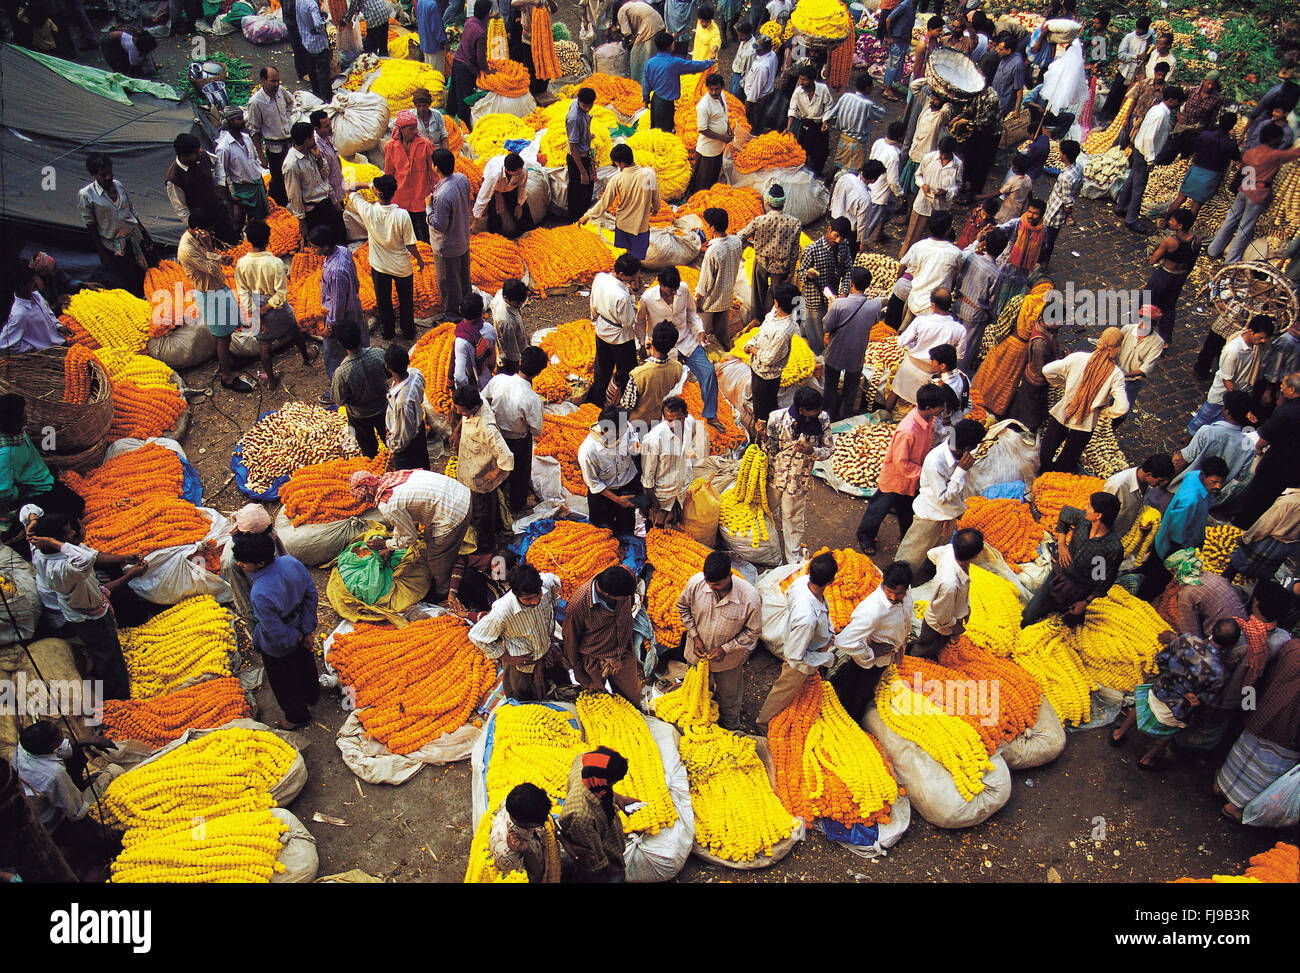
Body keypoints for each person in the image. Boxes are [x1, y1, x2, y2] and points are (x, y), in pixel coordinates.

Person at [26, 513, 142, 701]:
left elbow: (29, 510)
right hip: (89, 618)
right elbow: (86, 558)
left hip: (85, 608)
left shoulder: (40, 551)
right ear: (56, 541)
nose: (73, 533)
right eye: (68, 532)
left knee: (106, 649)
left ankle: (113, 684)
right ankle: (118, 699)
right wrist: (55, 542)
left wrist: (32, 523)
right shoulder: (62, 568)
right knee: (107, 655)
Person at [230, 532, 320, 730]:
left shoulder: (260, 591)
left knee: (284, 682)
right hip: (300, 625)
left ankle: (297, 717)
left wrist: (294, 638)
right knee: (305, 662)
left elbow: (274, 629)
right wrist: (306, 631)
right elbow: (311, 595)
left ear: (260, 563)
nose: (240, 565)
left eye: (244, 562)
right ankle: (312, 695)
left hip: (278, 645)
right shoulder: (291, 563)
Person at [1111, 629, 1230, 770]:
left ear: (1212, 631)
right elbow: (1207, 701)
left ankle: (1118, 734)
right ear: (1229, 646)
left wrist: (1173, 680)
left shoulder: (1187, 640)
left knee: (1139, 708)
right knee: (1164, 738)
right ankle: (1146, 760)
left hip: (1159, 691)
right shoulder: (1219, 673)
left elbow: (1161, 660)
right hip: (1177, 711)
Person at [349, 467, 472, 601]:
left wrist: (384, 543)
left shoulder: (388, 504)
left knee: (437, 559)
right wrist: (389, 548)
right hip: (461, 493)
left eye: (365, 499)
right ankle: (449, 560)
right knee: (429, 536)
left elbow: (409, 537)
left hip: (455, 512)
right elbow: (401, 522)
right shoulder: (391, 478)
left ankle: (442, 590)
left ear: (368, 492)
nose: (367, 502)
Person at [1216, 634, 1300, 822]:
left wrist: (1248, 706)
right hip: (1288, 732)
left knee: (1243, 754)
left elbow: (1261, 675)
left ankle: (1221, 785)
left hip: (1261, 712)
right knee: (1265, 773)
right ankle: (1235, 807)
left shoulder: (1292, 648)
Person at [674, 551, 762, 730]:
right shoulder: (696, 584)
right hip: (696, 654)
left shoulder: (750, 598)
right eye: (709, 583)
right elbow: (682, 607)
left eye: (717, 584)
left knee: (729, 697)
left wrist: (726, 648)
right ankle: (700, 724)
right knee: (697, 692)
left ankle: (730, 727)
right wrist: (695, 636)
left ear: (730, 575)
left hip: (727, 662)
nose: (712, 587)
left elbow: (753, 632)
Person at [856, 384, 945, 554]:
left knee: (907, 511)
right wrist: (924, 473)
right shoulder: (907, 430)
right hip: (896, 478)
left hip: (911, 479)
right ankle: (865, 536)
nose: (942, 410)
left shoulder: (928, 419)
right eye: (939, 407)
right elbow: (900, 462)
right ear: (928, 407)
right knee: (879, 508)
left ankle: (906, 537)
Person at [755, 551, 837, 732]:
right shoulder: (806, 618)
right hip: (800, 654)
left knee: (800, 686)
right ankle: (763, 723)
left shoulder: (800, 583)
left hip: (805, 641)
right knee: (784, 689)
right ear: (831, 581)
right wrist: (827, 659)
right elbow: (795, 657)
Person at [1021, 493, 1124, 629]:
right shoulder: (1083, 520)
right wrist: (1062, 543)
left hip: (1078, 590)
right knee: (1028, 616)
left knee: (1068, 627)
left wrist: (1085, 602)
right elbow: (1065, 513)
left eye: (1089, 506)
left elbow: (1103, 581)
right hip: (1058, 575)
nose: (1085, 507)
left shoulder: (1112, 548)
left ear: (1098, 515)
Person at [234, 220, 317, 389]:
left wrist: (255, 311)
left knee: (264, 343)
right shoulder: (276, 263)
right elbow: (281, 293)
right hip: (276, 308)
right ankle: (306, 356)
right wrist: (267, 307)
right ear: (268, 238)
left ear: (248, 240)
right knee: (293, 329)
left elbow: (243, 293)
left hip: (256, 307)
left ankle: (271, 379)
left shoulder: (241, 264)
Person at [895, 418, 984, 573]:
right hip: (931, 514)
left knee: (937, 548)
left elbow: (959, 489)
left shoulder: (958, 454)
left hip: (947, 514)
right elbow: (942, 496)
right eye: (975, 447)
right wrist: (961, 470)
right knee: (911, 554)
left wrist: (959, 508)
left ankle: (929, 570)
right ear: (967, 447)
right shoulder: (936, 460)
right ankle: (898, 579)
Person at [1136, 456, 1230, 600]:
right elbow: (1177, 526)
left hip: (1167, 536)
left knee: (1152, 563)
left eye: (1220, 483)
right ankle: (1141, 598)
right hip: (1173, 544)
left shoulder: (1194, 476)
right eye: (1214, 482)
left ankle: (1139, 575)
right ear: (1203, 476)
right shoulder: (1190, 499)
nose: (1218, 486)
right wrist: (1178, 551)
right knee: (1158, 578)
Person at [1039, 327, 1129, 473]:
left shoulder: (1078, 358)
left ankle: (1041, 473)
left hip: (1063, 413)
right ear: (1117, 348)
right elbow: (1122, 408)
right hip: (1085, 423)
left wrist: (1063, 385)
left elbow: (1047, 370)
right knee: (1068, 459)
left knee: (1046, 451)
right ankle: (1055, 479)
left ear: (1100, 341)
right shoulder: (1116, 374)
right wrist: (1104, 411)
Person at [177, 211, 250, 392]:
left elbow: (211, 260)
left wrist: (220, 257)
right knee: (222, 337)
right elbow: (211, 269)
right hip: (210, 295)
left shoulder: (197, 240)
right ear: (196, 229)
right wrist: (210, 246)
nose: (211, 233)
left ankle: (229, 361)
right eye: (208, 230)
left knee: (231, 326)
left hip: (219, 288)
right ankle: (227, 377)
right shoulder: (187, 249)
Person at [831, 560, 914, 717]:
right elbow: (843, 640)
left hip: (886, 656)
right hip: (870, 661)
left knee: (866, 686)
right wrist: (871, 652)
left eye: (899, 593)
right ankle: (851, 715)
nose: (893, 596)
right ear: (884, 583)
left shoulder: (907, 592)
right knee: (858, 690)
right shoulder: (873, 611)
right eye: (889, 591)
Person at [346, 174, 424, 340]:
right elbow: (410, 244)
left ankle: (387, 331)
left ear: (377, 192)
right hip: (402, 266)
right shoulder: (402, 215)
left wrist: (370, 185)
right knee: (406, 301)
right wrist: (419, 259)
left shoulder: (368, 210)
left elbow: (348, 188)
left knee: (384, 301)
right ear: (394, 192)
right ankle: (408, 330)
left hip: (379, 266)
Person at [1209, 125, 1300, 264]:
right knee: (1245, 228)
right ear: (1273, 139)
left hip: (1244, 188)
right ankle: (1231, 260)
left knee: (1230, 220)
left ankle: (1213, 250)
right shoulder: (1274, 155)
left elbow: (1243, 165)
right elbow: (1295, 154)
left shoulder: (1251, 152)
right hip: (1257, 194)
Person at [10, 720, 118, 838]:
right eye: (60, 736)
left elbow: (62, 748)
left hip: (33, 802)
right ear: (51, 746)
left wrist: (91, 740)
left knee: (74, 751)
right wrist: (100, 830)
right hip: (51, 822)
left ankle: (79, 786)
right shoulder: (54, 774)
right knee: (114, 771)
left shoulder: (23, 747)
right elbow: (76, 811)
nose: (63, 735)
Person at [469, 563, 559, 701]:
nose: (535, 602)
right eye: (528, 599)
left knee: (556, 691)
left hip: (546, 652)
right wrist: (506, 657)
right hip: (521, 663)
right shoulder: (503, 611)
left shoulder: (546, 582)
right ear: (516, 594)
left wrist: (551, 625)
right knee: (524, 702)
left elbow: (554, 592)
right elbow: (476, 636)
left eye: (538, 595)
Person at [766, 387, 833, 565]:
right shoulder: (776, 418)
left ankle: (793, 561)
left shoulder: (823, 419)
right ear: (801, 410)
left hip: (798, 480)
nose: (818, 412)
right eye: (814, 410)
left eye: (819, 408)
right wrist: (761, 435)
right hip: (775, 476)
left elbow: (828, 450)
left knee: (792, 518)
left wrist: (812, 451)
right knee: (768, 512)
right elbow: (770, 448)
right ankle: (768, 553)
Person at [563, 566, 640, 703]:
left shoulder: (624, 576)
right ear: (609, 596)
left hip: (623, 650)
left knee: (632, 698)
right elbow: (570, 641)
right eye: (623, 599)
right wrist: (580, 674)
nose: (627, 600)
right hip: (594, 659)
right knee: (598, 702)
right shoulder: (578, 605)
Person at [1233, 372, 1300, 530]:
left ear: (1292, 390)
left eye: (1283, 385)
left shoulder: (1286, 411)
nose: (1281, 387)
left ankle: (1242, 524)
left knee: (1258, 494)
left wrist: (1257, 448)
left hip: (1277, 463)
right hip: (1295, 466)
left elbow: (1264, 437)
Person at [77, 154, 151, 297]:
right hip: (114, 247)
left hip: (134, 238)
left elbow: (131, 211)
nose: (108, 177)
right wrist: (102, 253)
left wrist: (145, 234)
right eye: (102, 174)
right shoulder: (86, 195)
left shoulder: (118, 185)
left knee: (144, 272)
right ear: (94, 175)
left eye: (110, 172)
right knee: (127, 280)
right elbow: (90, 225)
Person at [484, 346, 546, 513]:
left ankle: (496, 498)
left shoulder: (499, 379)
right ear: (538, 373)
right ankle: (517, 504)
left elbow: (483, 399)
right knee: (519, 473)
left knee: (496, 465)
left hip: (494, 433)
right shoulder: (532, 399)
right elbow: (537, 430)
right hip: (517, 440)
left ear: (520, 362)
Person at [451, 384, 513, 551]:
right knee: (479, 508)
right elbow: (464, 417)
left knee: (482, 515)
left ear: (475, 407)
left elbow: (507, 456)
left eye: (462, 410)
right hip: (469, 465)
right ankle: (494, 528)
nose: (459, 413)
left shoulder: (487, 428)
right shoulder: (476, 401)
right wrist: (457, 430)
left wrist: (495, 473)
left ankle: (486, 547)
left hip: (480, 477)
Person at [1188, 315, 1272, 436]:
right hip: (1221, 396)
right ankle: (1186, 444)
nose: (1263, 341)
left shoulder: (1256, 346)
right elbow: (1227, 382)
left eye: (1265, 338)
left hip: (1237, 395)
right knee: (1200, 423)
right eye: (1261, 337)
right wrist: (1242, 407)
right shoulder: (1233, 351)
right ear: (1251, 331)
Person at [557, 746, 631, 882]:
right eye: (613, 782)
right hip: (595, 863)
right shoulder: (581, 815)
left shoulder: (585, 762)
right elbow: (593, 853)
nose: (614, 785)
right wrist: (609, 868)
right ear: (603, 782)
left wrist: (620, 799)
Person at [1116, 86, 1184, 233]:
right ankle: (1131, 219)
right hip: (1144, 153)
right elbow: (1149, 137)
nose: (1178, 106)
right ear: (1171, 100)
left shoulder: (1157, 109)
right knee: (1139, 188)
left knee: (1132, 180)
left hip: (1139, 149)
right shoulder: (1160, 114)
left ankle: (1121, 206)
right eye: (1178, 102)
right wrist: (1150, 159)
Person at [1168, 390, 1257, 503]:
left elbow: (1184, 459)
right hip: (1207, 499)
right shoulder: (1248, 447)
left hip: (1180, 489)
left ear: (1227, 411)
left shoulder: (1207, 431)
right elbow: (1240, 477)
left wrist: (1167, 480)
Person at [888, 286, 964, 409]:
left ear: (933, 305)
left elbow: (902, 342)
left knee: (896, 391)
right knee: (922, 404)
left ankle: (885, 415)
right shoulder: (959, 329)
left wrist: (915, 345)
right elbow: (959, 356)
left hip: (911, 365)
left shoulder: (921, 321)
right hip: (933, 373)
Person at [582, 143, 662, 260]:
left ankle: (629, 274)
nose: (615, 164)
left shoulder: (617, 179)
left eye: (615, 162)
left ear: (621, 163)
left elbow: (604, 203)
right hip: (641, 227)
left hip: (623, 224)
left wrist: (587, 216)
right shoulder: (649, 174)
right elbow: (655, 195)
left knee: (627, 254)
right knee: (637, 258)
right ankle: (634, 275)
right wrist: (656, 207)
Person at [821, 265, 881, 421]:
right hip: (857, 352)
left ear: (851, 284)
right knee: (851, 387)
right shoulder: (875, 305)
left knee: (831, 386)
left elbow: (827, 326)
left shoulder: (839, 304)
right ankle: (846, 415)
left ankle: (829, 415)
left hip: (836, 351)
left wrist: (831, 306)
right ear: (868, 285)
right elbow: (873, 322)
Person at [951, 227, 1012, 374]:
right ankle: (957, 377)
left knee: (950, 340)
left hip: (959, 305)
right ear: (1002, 250)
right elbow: (992, 301)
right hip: (975, 316)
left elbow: (959, 279)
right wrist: (992, 318)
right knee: (965, 350)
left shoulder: (971, 259)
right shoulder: (996, 274)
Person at [586, 253, 643, 407]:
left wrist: (595, 317)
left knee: (602, 370)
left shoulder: (600, 278)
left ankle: (596, 403)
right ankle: (626, 404)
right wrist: (632, 296)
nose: (635, 279)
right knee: (627, 372)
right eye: (633, 277)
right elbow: (628, 322)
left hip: (602, 330)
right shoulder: (622, 295)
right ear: (622, 275)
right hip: (620, 339)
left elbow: (593, 304)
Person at [578, 406, 646, 534]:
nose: (627, 427)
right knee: (602, 534)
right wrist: (618, 500)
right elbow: (594, 483)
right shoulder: (588, 450)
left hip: (626, 487)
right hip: (603, 496)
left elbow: (632, 433)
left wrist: (635, 443)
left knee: (626, 530)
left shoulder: (624, 427)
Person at [627, 292, 691, 427]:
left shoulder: (638, 374)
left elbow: (628, 405)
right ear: (673, 345)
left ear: (652, 341)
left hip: (636, 423)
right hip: (656, 420)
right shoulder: (677, 368)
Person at [1164, 112, 1239, 227]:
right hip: (1210, 176)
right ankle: (1184, 230)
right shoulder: (1230, 144)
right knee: (1196, 206)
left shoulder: (1205, 135)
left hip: (1195, 170)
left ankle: (1165, 221)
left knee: (1180, 199)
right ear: (1232, 126)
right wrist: (1233, 138)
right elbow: (1236, 157)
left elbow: (1196, 148)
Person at [425, 149, 473, 324]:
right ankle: (468, 307)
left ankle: (453, 315)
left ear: (436, 167)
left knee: (449, 283)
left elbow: (439, 224)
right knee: (463, 277)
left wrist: (428, 207)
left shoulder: (442, 195)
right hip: (462, 238)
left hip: (447, 246)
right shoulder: (462, 179)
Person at [641, 396, 704, 527]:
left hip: (681, 484)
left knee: (675, 522)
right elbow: (648, 475)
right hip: (662, 491)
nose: (674, 424)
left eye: (678, 419)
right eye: (669, 420)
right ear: (664, 417)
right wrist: (654, 501)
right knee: (656, 526)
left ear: (685, 415)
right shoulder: (654, 439)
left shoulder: (689, 423)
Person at [738, 190, 802, 319]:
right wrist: (791, 271)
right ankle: (772, 319)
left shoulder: (759, 220)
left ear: (767, 202)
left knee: (757, 294)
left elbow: (740, 236)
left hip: (761, 262)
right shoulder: (794, 223)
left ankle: (756, 320)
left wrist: (752, 244)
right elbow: (795, 251)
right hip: (781, 266)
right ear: (783, 203)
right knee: (776, 295)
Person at [1004, 290, 1062, 431]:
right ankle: (1024, 428)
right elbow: (1042, 369)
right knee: (1030, 407)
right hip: (1036, 380)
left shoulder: (1047, 329)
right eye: (1060, 320)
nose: (1061, 323)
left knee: (1025, 404)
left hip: (1036, 378)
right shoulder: (1040, 344)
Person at [165, 133, 237, 247]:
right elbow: (181, 209)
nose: (200, 152)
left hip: (218, 211)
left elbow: (217, 163)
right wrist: (196, 229)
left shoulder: (203, 155)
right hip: (202, 222)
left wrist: (220, 184)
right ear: (185, 156)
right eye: (196, 152)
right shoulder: (174, 179)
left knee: (232, 242)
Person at [898, 131, 961, 261]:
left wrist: (948, 192)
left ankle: (921, 262)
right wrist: (923, 185)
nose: (942, 156)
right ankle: (904, 261)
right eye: (941, 153)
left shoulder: (957, 165)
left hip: (940, 206)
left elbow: (958, 185)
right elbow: (918, 175)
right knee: (912, 236)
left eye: (945, 155)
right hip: (923, 202)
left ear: (951, 153)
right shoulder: (929, 158)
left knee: (930, 239)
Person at [282, 121, 347, 246]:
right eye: (312, 136)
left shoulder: (312, 152)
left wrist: (319, 159)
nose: (314, 139)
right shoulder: (291, 164)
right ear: (306, 139)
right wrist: (301, 220)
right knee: (325, 245)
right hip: (314, 210)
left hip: (327, 202)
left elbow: (325, 175)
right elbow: (294, 195)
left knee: (340, 239)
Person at [330, 322, 388, 457]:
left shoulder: (341, 372)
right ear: (361, 336)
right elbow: (389, 373)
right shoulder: (378, 354)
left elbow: (338, 400)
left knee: (368, 448)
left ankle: (374, 465)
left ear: (340, 343)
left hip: (359, 416)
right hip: (383, 408)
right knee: (389, 439)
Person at [745, 282, 799, 424]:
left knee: (763, 409)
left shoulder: (784, 330)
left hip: (767, 376)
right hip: (757, 368)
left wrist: (751, 349)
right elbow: (761, 331)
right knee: (760, 403)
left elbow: (768, 358)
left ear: (777, 302)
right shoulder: (774, 313)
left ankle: (765, 434)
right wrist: (751, 342)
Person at [897, 211, 961, 330]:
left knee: (903, 336)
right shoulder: (955, 253)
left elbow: (911, 269)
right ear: (948, 231)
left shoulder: (919, 246)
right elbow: (957, 272)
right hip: (933, 310)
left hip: (915, 300)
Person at [796, 218, 850, 354]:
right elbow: (800, 272)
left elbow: (848, 269)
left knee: (827, 327)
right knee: (815, 330)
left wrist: (844, 291)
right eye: (836, 236)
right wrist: (808, 274)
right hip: (814, 297)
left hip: (833, 296)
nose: (838, 240)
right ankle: (817, 355)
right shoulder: (812, 250)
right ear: (829, 229)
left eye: (841, 238)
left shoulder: (844, 247)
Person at [643, 31, 715, 133]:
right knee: (664, 132)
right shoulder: (674, 63)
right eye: (673, 43)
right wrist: (710, 62)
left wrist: (646, 99)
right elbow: (693, 66)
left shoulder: (650, 63)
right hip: (665, 104)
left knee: (655, 129)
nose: (674, 45)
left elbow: (646, 83)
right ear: (669, 46)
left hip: (655, 100)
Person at [487, 783, 559, 882]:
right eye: (539, 822)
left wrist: (561, 837)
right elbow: (534, 878)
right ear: (521, 822)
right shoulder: (507, 855)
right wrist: (527, 850)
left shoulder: (517, 802)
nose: (544, 822)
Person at [694, 208, 743, 350]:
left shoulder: (712, 251)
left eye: (707, 224)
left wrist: (697, 298)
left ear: (712, 227)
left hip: (711, 299)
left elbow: (706, 281)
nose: (705, 227)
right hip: (727, 295)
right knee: (722, 331)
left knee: (703, 331)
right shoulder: (736, 242)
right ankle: (725, 347)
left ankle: (704, 352)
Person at [384, 111, 437, 245]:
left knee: (425, 233)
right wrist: (387, 197)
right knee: (407, 234)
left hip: (422, 196)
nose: (415, 131)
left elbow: (434, 172)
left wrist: (435, 191)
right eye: (411, 128)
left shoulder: (425, 145)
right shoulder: (390, 147)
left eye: (415, 127)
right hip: (400, 197)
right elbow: (389, 173)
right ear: (401, 129)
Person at [214, 108, 270, 234]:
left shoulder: (246, 138)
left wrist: (260, 180)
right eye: (239, 119)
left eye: (242, 117)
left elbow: (254, 161)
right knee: (239, 221)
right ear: (230, 122)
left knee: (260, 219)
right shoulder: (224, 148)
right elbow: (222, 174)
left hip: (256, 184)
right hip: (241, 189)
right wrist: (231, 196)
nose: (243, 121)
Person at [246, 67, 296, 207]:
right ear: (263, 80)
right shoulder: (256, 102)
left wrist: (286, 117)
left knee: (292, 173)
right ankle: (280, 205)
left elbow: (291, 102)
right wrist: (261, 156)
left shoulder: (281, 91)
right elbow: (254, 130)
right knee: (279, 179)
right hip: (274, 148)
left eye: (278, 81)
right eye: (272, 81)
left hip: (289, 143)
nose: (276, 84)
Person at [1231, 490, 1300, 584]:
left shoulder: (1288, 501)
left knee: (1234, 567)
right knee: (1261, 579)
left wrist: (1245, 538)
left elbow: (1264, 525)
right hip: (1284, 548)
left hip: (1266, 541)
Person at [1113, 305, 1165, 424]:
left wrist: (1125, 375)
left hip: (1131, 382)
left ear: (1154, 325)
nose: (1144, 326)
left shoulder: (1158, 342)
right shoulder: (1127, 329)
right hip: (1113, 374)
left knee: (1121, 412)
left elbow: (1145, 368)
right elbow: (1114, 348)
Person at [1104, 453, 1175, 540]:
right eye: (1161, 480)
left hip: (1123, 535)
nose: (1163, 484)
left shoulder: (1148, 484)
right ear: (1149, 474)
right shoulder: (1116, 486)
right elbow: (1100, 516)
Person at [1096, 14, 1151, 125]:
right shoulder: (1129, 37)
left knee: (1127, 98)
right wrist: (1135, 57)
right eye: (1137, 28)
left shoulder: (1151, 39)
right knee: (1115, 94)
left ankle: (1119, 120)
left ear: (1146, 29)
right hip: (1125, 71)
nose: (1138, 31)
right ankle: (1104, 117)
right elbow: (1121, 55)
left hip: (1138, 75)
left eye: (1140, 29)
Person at [1, 262, 66, 354]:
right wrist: (32, 348)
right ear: (21, 286)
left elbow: (48, 312)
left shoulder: (36, 294)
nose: (35, 283)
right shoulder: (19, 314)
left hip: (60, 342)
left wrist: (58, 326)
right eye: (31, 282)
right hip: (49, 352)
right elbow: (4, 344)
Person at [383, 343, 430, 470]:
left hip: (408, 448)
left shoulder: (402, 402)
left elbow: (402, 440)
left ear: (387, 367)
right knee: (423, 467)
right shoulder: (415, 373)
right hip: (418, 430)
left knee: (411, 477)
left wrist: (391, 444)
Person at [449, 1, 493, 129]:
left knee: (454, 91)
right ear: (486, 13)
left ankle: (450, 115)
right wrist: (486, 70)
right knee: (464, 97)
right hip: (466, 67)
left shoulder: (470, 21)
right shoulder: (481, 31)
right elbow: (480, 57)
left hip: (457, 60)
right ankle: (463, 126)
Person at [831, 73, 886, 175]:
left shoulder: (846, 96)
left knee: (837, 163)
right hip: (857, 142)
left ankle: (827, 185)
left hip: (844, 137)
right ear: (867, 88)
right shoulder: (867, 104)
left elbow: (833, 112)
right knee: (854, 171)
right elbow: (881, 114)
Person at [785, 66, 835, 178]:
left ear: (812, 80)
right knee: (801, 152)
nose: (801, 82)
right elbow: (792, 109)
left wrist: (825, 121)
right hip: (804, 126)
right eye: (800, 79)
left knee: (819, 154)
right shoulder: (798, 92)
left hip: (818, 127)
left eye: (804, 80)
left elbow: (829, 107)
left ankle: (815, 176)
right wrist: (788, 127)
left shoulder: (823, 90)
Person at [689, 74, 733, 195]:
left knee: (714, 178)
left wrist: (728, 128)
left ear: (722, 87)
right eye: (711, 89)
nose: (714, 92)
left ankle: (710, 199)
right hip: (707, 151)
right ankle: (697, 201)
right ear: (707, 88)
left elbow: (724, 114)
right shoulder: (704, 106)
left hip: (718, 148)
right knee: (703, 182)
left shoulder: (722, 96)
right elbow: (703, 130)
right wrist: (723, 138)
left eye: (717, 89)